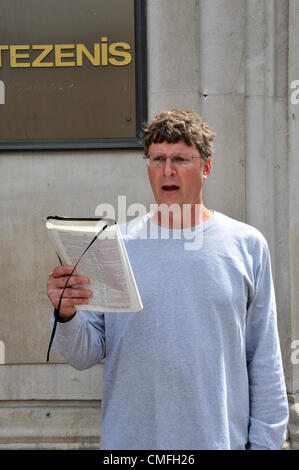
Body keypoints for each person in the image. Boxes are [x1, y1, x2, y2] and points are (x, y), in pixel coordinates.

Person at [47, 109, 289, 450]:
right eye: (157, 159)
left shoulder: (247, 245)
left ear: (205, 168)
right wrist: (66, 314)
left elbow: (264, 362)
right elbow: (84, 353)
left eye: (180, 159)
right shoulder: (111, 245)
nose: (168, 170)